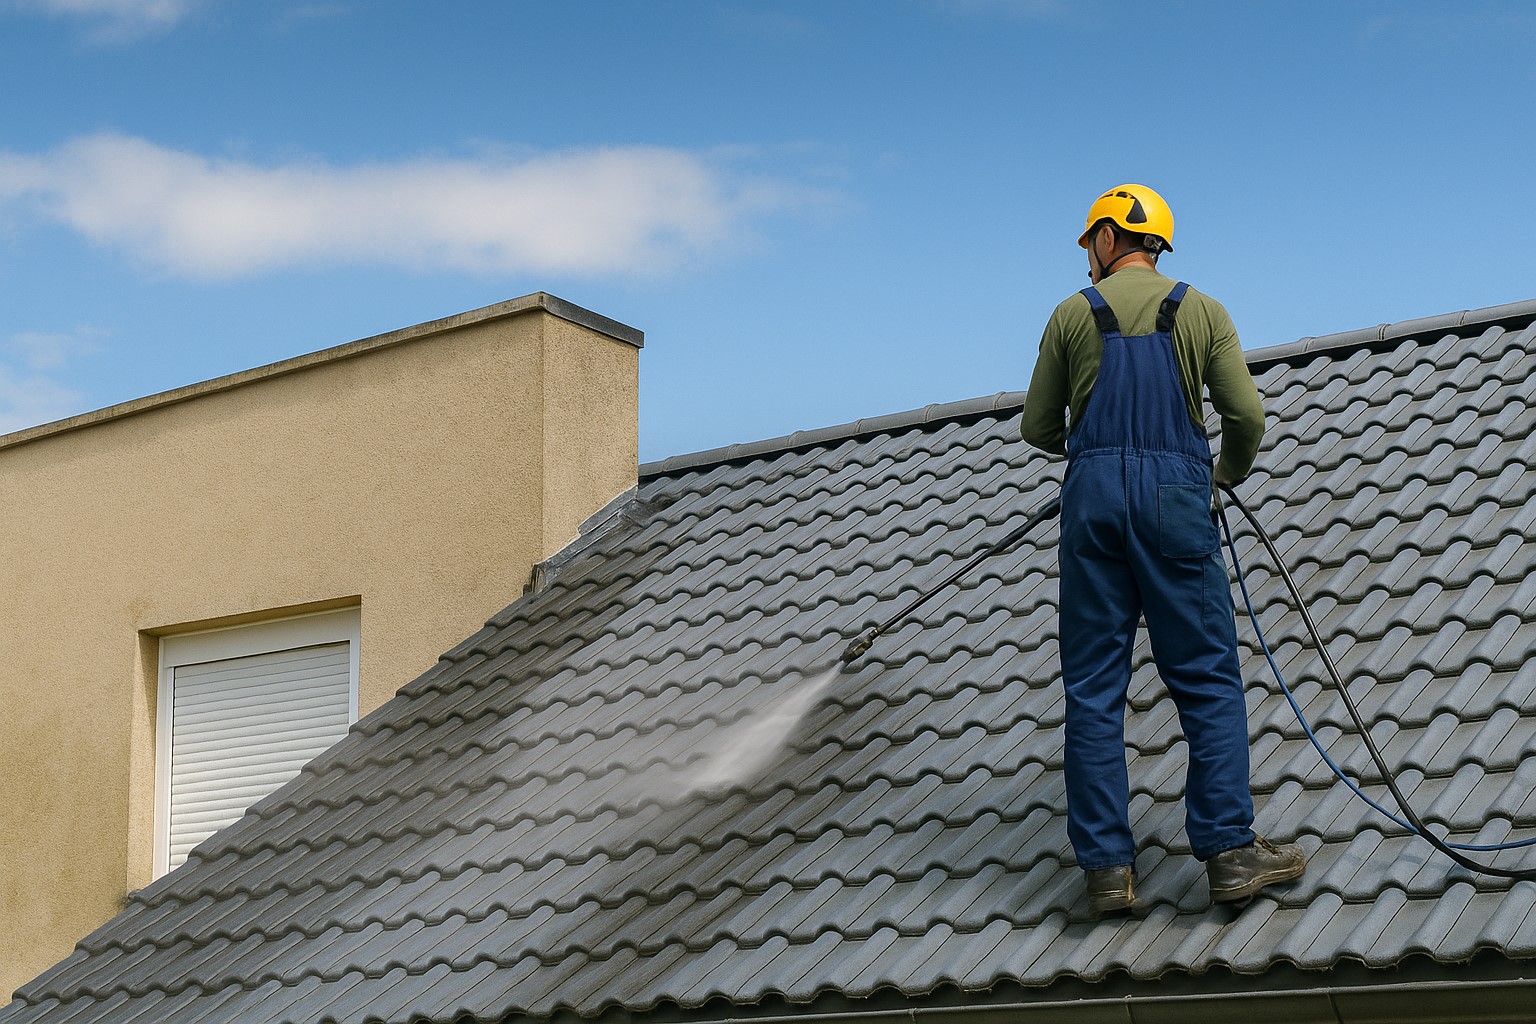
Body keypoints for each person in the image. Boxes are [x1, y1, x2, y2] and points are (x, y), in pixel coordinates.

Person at [1020, 184, 1305, 916]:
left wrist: (1095, 458)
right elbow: (1247, 416)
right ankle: (1229, 855)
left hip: (1092, 504)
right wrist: (1222, 474)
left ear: (1108, 239)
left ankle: (1107, 872)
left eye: (1089, 243)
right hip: (1177, 497)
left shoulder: (1070, 314)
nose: (1087, 258)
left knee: (1092, 689)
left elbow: (1036, 427)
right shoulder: (1202, 310)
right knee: (1206, 678)